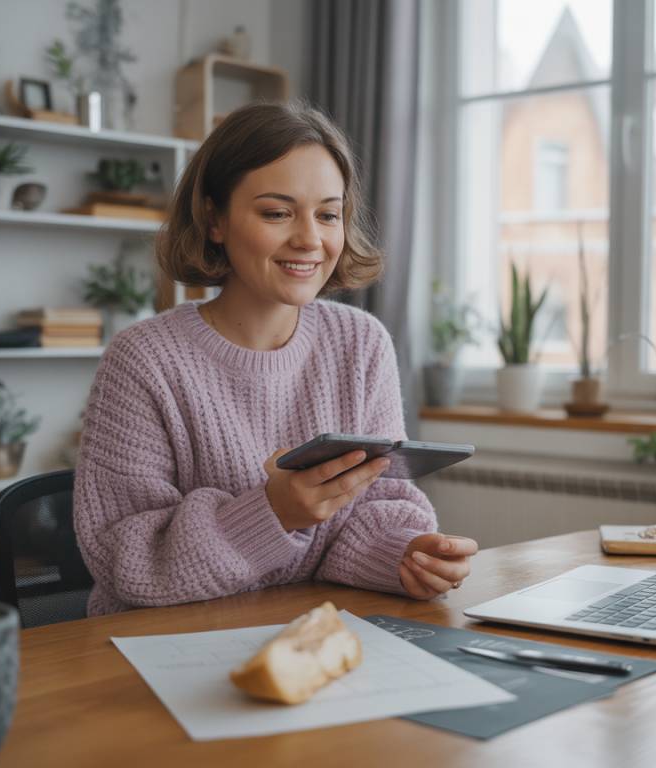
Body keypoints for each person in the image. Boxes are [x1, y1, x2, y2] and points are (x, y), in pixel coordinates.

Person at [74, 102, 478, 615]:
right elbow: (124, 560)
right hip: (158, 647)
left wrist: (405, 557)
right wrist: (273, 513)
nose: (311, 239)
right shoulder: (143, 360)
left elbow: (374, 509)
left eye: (328, 214)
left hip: (302, 634)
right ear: (214, 220)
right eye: (276, 212)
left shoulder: (361, 342)